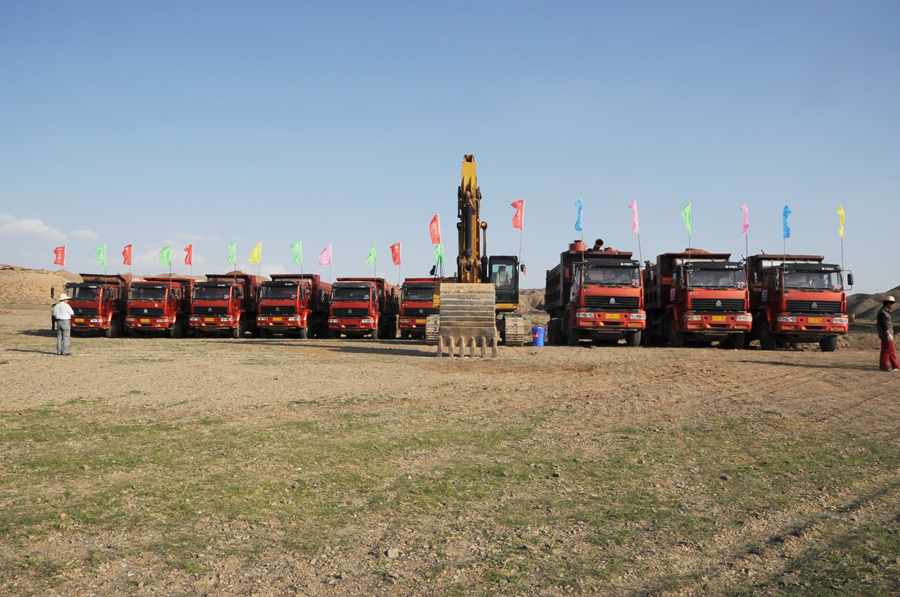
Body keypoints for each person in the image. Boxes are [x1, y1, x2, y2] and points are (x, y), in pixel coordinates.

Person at [877, 296, 898, 372]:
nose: (893, 305)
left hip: (889, 334)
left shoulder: (886, 312)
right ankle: (884, 366)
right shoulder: (882, 313)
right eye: (893, 304)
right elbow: (883, 325)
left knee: (891, 350)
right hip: (885, 334)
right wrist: (888, 334)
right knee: (886, 350)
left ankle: (895, 365)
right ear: (889, 304)